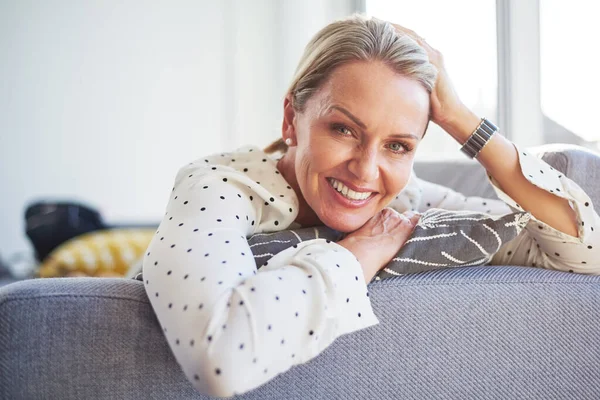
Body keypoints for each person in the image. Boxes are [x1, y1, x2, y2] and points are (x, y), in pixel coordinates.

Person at [142, 14, 599, 398]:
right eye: (343, 130)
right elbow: (221, 356)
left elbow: (584, 251)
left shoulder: (408, 200)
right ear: (291, 120)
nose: (365, 171)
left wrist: (461, 119)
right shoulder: (219, 185)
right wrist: (356, 256)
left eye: (398, 145)